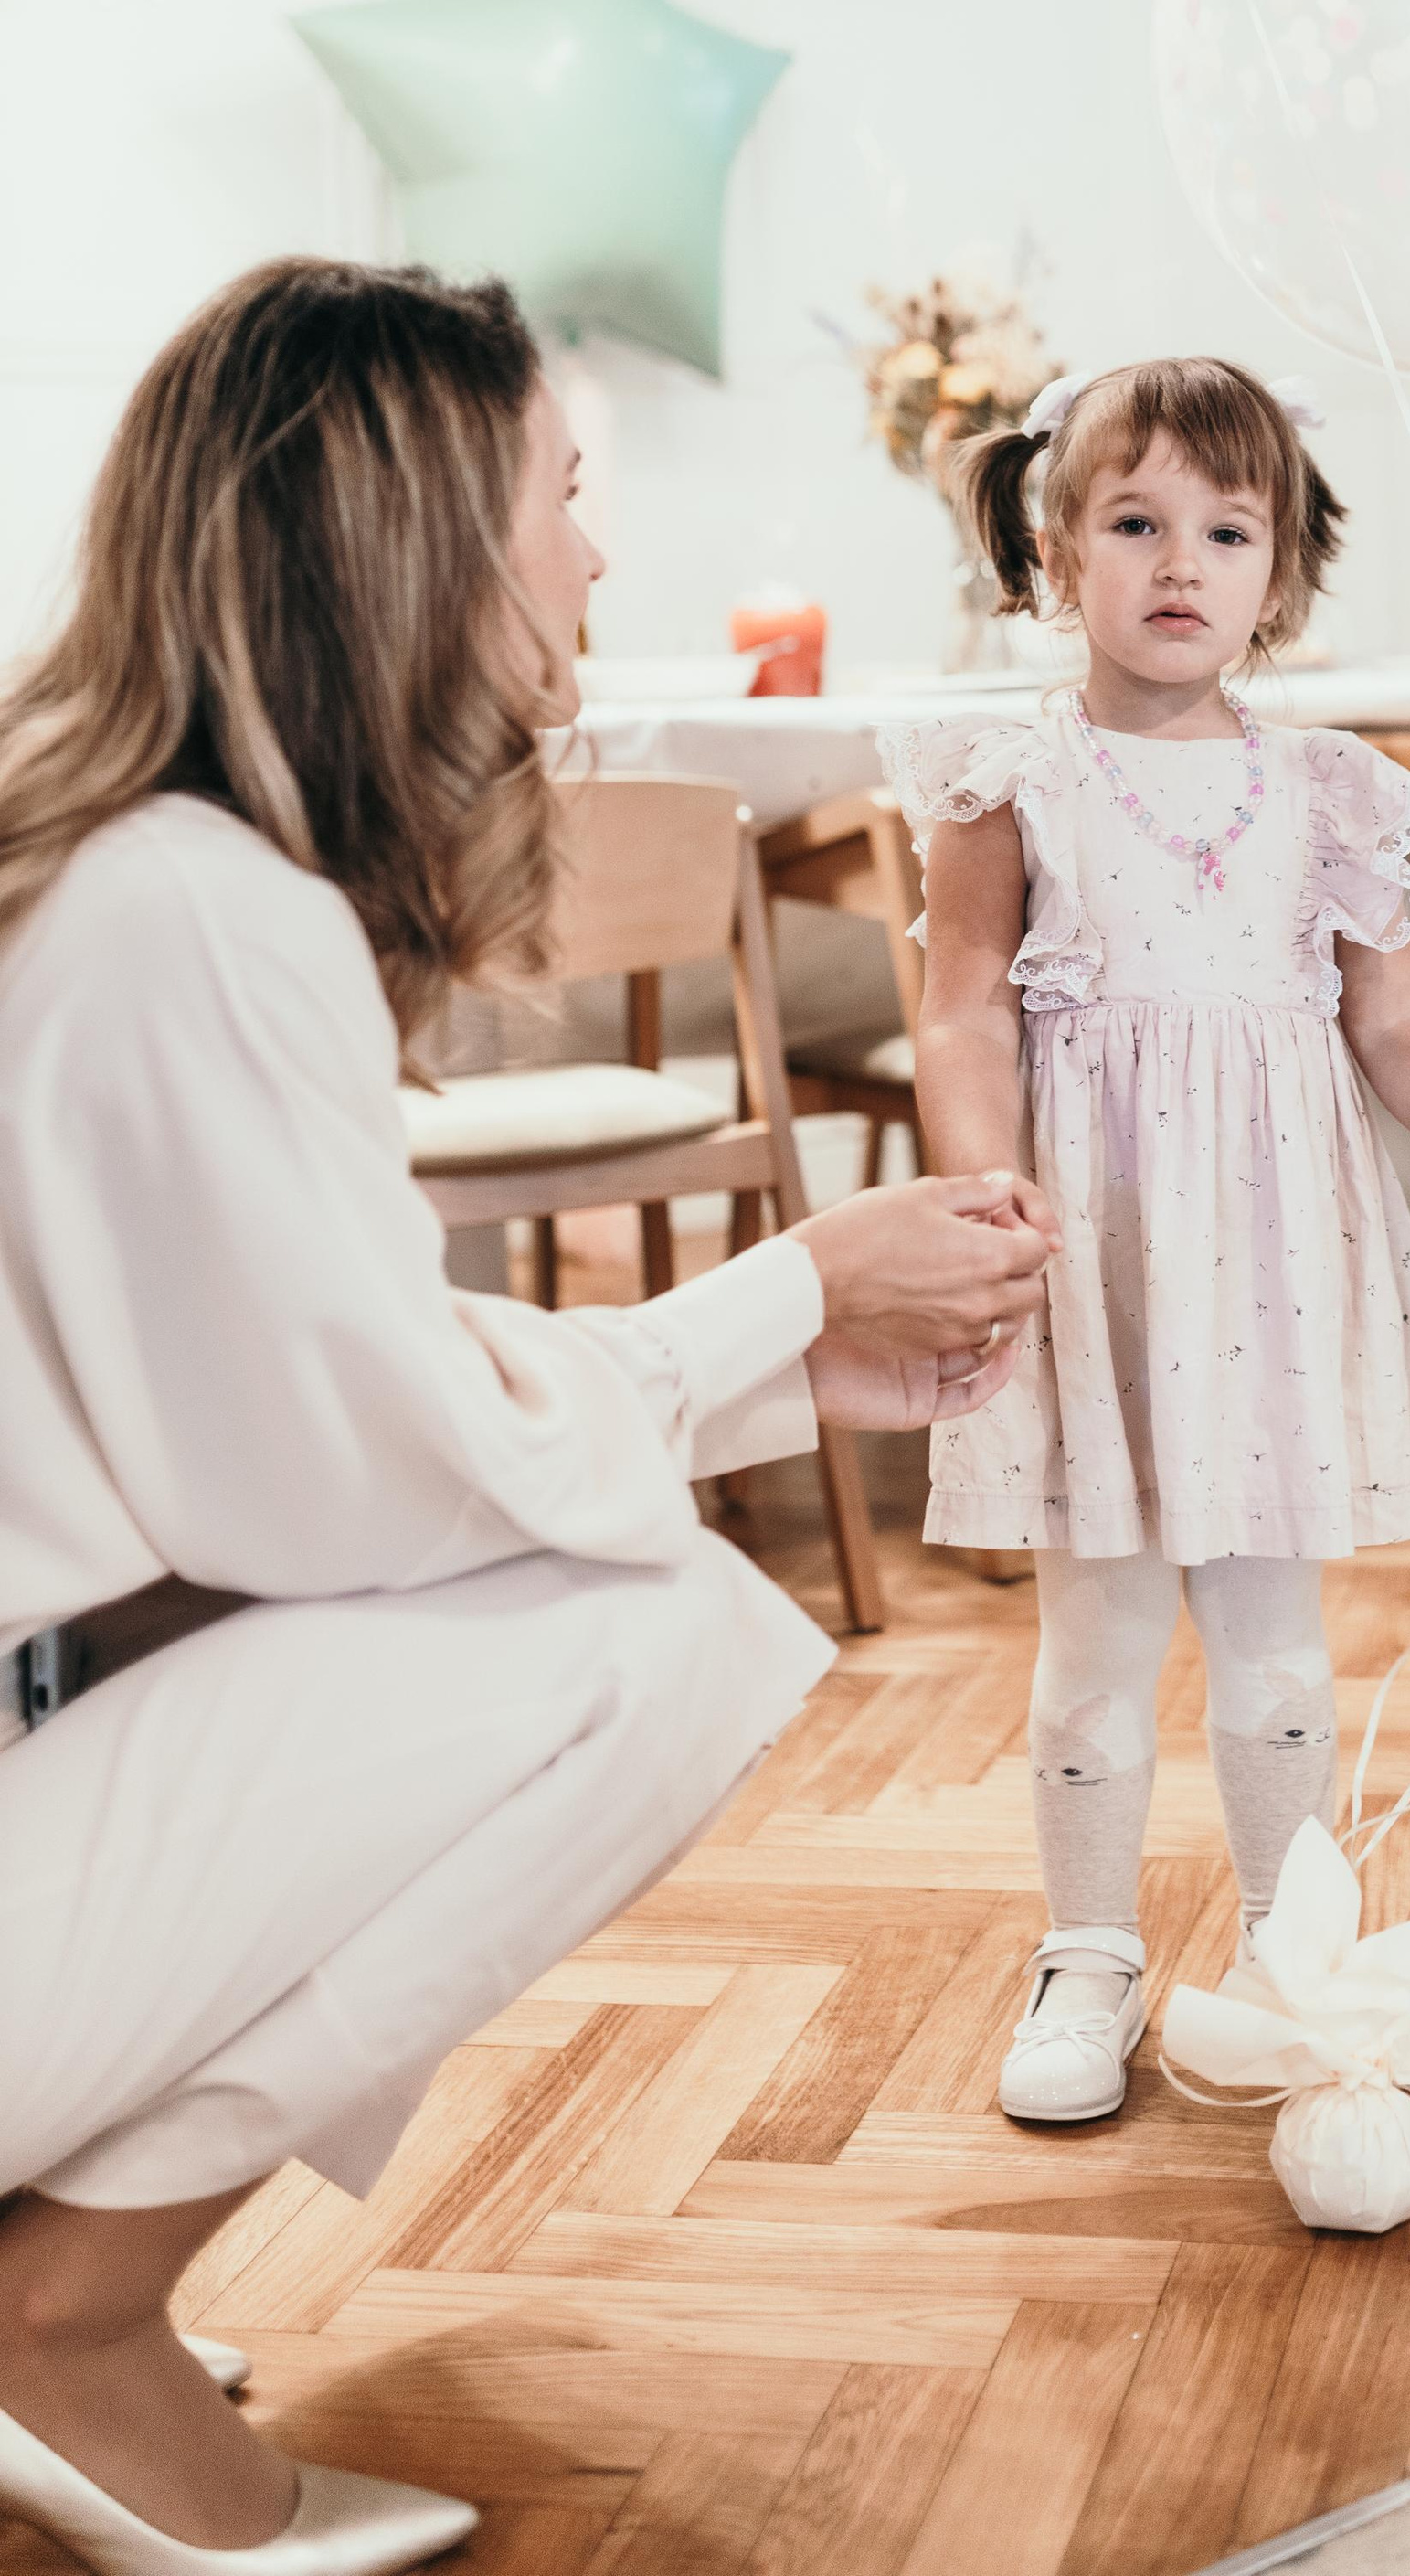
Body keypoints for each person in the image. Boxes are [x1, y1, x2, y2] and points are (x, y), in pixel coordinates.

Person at [0, 260, 1057, 2576]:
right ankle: (68, 2313)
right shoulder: (193, 913)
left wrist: (774, 1365)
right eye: (563, 493)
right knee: (648, 1626)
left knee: (602, 1575)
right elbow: (344, 1494)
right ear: (411, 543)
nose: (597, 552)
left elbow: (283, 1452)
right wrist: (783, 1302)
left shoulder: (135, 874)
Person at [885, 357, 1410, 2129]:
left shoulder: (1327, 790)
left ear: (1278, 571)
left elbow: (1394, 1019)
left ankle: (1296, 1941)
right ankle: (1089, 1950)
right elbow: (959, 1006)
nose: (1177, 562)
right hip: (1097, 1259)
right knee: (1096, 1633)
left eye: (1222, 527)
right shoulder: (1005, 778)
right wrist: (982, 1191)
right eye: (1131, 523)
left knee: (1273, 1644)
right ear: (1052, 554)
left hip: (1267, 1269)